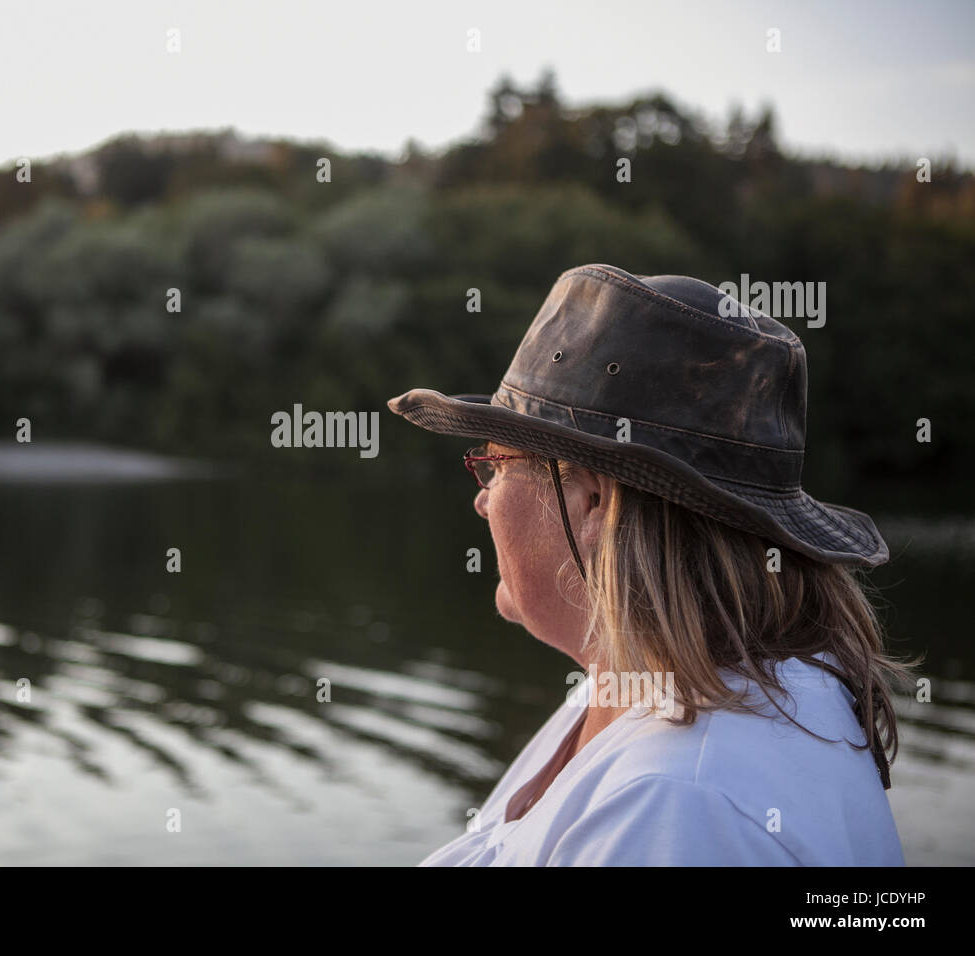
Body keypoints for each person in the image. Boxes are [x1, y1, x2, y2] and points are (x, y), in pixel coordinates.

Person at [387, 264, 917, 866]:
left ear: (591, 503)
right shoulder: (646, 680)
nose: (482, 499)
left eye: (497, 465)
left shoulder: (674, 805)